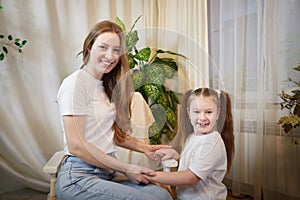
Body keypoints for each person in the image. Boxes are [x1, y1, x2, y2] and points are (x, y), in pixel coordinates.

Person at [55, 20, 172, 200]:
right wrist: (126, 168)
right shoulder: (75, 84)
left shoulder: (107, 86)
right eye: (103, 47)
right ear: (89, 47)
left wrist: (146, 148)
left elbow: (108, 134)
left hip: (105, 173)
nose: (110, 56)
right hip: (78, 175)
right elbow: (76, 146)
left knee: (162, 195)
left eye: (116, 50)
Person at [146, 88, 235, 200]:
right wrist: (175, 155)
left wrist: (151, 175)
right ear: (189, 113)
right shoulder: (192, 137)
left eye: (208, 112)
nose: (202, 117)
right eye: (197, 112)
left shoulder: (211, 142)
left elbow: (191, 177)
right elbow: (193, 162)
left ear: (217, 113)